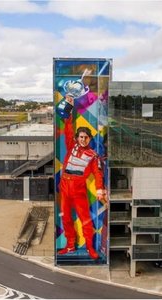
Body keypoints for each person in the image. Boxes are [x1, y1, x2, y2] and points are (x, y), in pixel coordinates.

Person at [57, 95, 106, 260]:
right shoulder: (71, 146)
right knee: (65, 216)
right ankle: (70, 245)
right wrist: (69, 107)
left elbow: (98, 174)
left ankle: (90, 248)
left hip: (78, 189)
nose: (83, 139)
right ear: (77, 138)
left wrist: (100, 190)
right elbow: (68, 126)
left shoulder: (93, 156)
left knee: (85, 220)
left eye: (86, 137)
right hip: (64, 186)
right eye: (81, 137)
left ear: (90, 139)